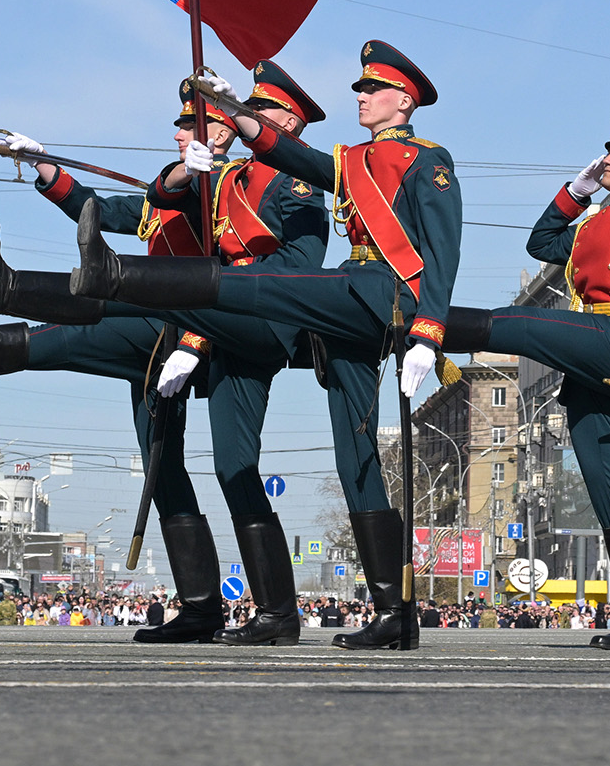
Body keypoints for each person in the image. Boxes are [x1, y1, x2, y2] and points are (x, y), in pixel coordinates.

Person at [0, 63, 331, 647]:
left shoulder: (283, 187)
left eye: (198, 126)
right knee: (162, 469)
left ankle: (279, 612)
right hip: (171, 331)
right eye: (186, 128)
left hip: (232, 334)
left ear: (283, 122)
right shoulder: (215, 183)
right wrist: (48, 169)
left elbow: (284, 277)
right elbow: (109, 209)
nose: (186, 134)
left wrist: (195, 336)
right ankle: (203, 607)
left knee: (234, 466)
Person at [71, 41, 460, 653]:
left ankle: (119, 280)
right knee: (355, 459)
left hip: (380, 296)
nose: (357, 96)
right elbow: (293, 156)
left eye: (369, 89)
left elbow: (441, 252)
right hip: (344, 321)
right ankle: (394, 612)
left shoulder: (427, 161)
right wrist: (234, 113)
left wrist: (428, 332)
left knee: (263, 284)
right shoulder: (351, 160)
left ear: (403, 100)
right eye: (358, 88)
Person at [462, 107, 610, 651]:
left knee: (521, 323)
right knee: (605, 486)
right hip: (586, 359)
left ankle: (435, 323)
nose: (608, 158)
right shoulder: (591, 223)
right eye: (608, 150)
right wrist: (576, 192)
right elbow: (542, 244)